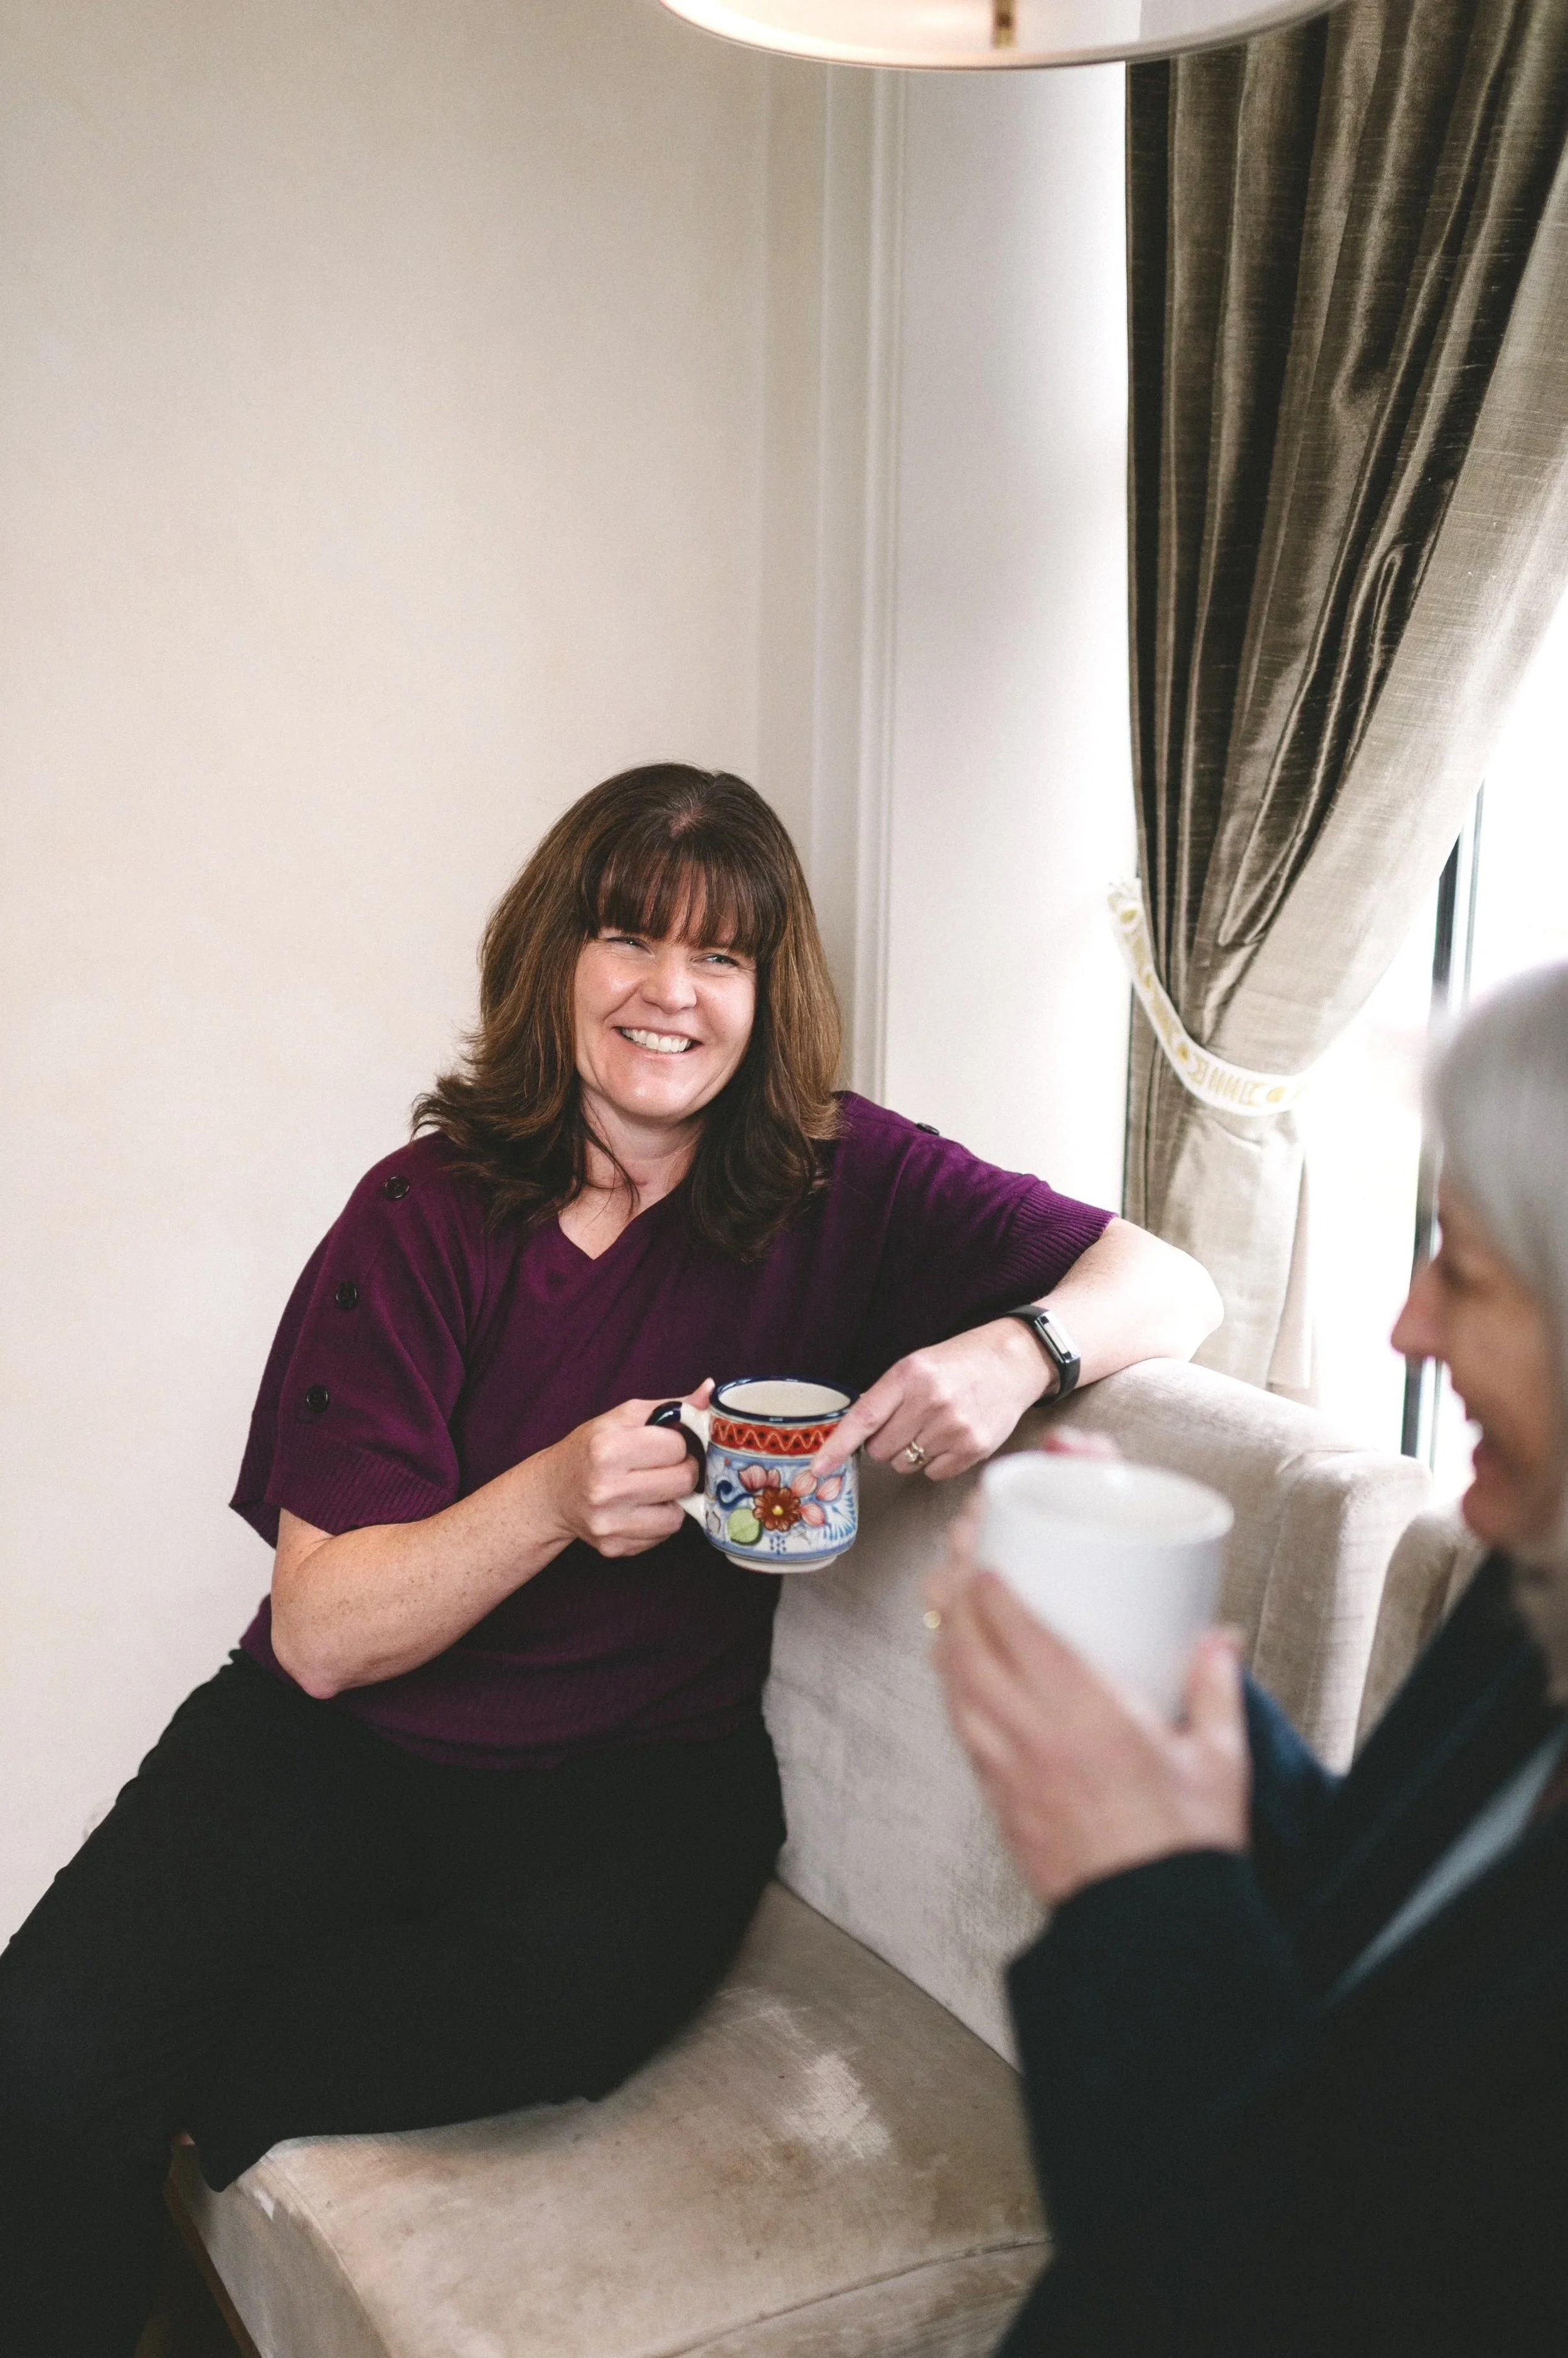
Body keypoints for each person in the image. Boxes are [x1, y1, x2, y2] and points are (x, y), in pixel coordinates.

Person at [0, 763, 1220, 2357]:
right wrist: (552, 1499)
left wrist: (1019, 1351)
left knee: (524, 2022)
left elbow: (1170, 1284)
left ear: (766, 995)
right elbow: (319, 1637)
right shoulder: (419, 1214)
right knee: (38, 2052)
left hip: (639, 1775)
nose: (669, 991)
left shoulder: (845, 1180)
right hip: (333, 1747)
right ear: (553, 961)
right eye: (628, 937)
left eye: (719, 954)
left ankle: (166, 2115)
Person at [929, 958, 1568, 2357]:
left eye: (1465, 1269)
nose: (1407, 1327)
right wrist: (1155, 1679)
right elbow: (1379, 1906)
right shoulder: (1532, 1587)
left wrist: (1131, 1889)